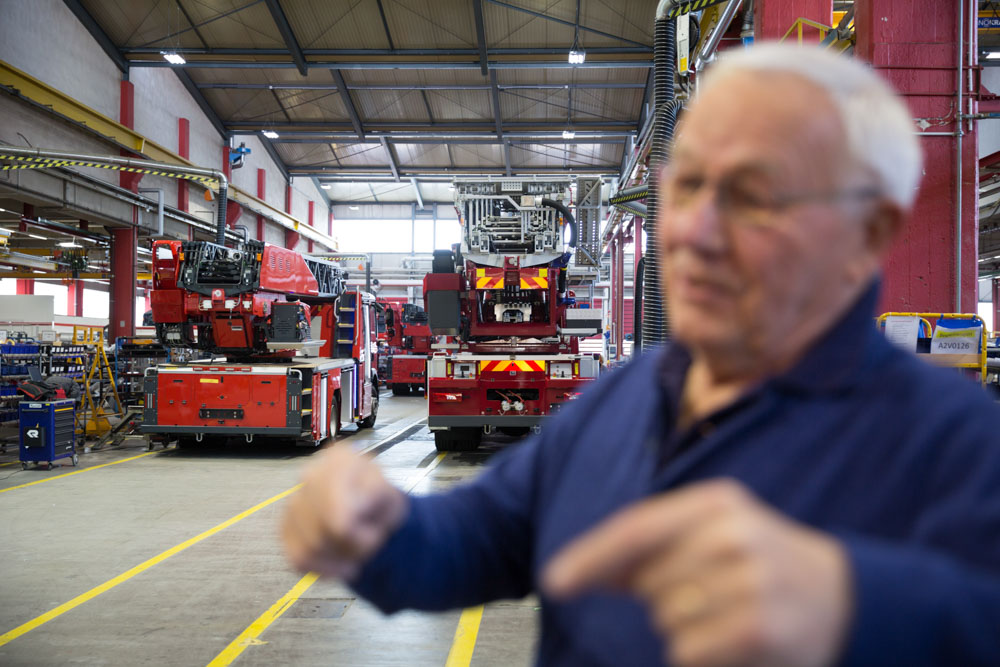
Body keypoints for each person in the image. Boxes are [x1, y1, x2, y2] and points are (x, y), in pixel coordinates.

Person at [282, 43, 1000, 666]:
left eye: (754, 195)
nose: (696, 232)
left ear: (868, 232)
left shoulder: (955, 444)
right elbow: (483, 536)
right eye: (687, 186)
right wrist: (380, 528)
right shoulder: (622, 402)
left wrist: (854, 605)